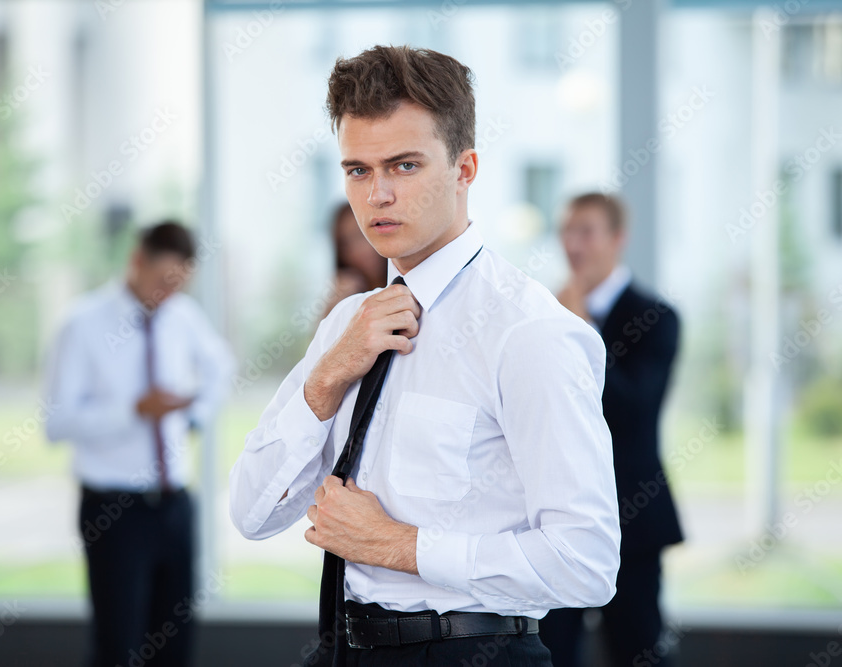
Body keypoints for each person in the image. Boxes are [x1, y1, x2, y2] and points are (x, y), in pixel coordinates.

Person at [229, 45, 620, 667]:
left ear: (465, 168)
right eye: (358, 170)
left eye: (404, 166)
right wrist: (329, 374)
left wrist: (398, 546)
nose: (378, 195)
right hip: (345, 649)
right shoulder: (344, 326)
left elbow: (586, 563)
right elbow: (252, 514)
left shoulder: (529, 333)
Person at [44, 221, 235, 667]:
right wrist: (134, 411)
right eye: (163, 281)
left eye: (180, 284)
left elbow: (221, 369)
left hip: (174, 507)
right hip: (114, 512)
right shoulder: (82, 324)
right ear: (136, 260)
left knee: (176, 647)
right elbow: (56, 423)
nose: (169, 294)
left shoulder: (182, 316)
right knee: (118, 646)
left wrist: (192, 415)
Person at [539, 193, 683, 667]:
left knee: (638, 647)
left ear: (618, 239)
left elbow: (632, 408)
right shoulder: (544, 313)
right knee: (551, 650)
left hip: (633, 516)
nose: (573, 244)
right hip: (557, 515)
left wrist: (580, 328)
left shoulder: (657, 317)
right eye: (567, 231)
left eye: (587, 231)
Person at [321, 201, 388, 319]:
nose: (356, 249)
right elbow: (322, 336)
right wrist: (334, 307)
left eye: (360, 235)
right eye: (345, 244)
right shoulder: (346, 294)